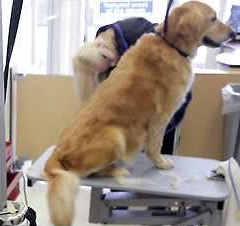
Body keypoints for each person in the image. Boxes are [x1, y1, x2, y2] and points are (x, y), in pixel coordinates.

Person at [72, 17, 191, 154]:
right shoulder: (106, 48)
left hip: (168, 98)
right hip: (141, 114)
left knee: (159, 157)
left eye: (110, 61)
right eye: (107, 68)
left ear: (101, 47)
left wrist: (153, 132)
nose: (113, 65)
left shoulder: (138, 31)